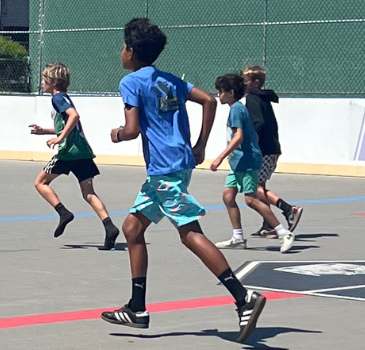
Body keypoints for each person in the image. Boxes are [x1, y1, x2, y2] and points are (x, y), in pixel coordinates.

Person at [96, 18, 268, 344]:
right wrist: (201, 144)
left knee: (189, 233)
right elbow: (208, 100)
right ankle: (136, 308)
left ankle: (243, 297)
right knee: (132, 229)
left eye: (123, 47)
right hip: (178, 164)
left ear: (131, 52)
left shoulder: (131, 82)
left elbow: (131, 129)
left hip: (162, 170)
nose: (121, 52)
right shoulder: (170, 79)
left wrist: (118, 135)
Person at [28, 62, 121, 249]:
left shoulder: (58, 99)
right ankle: (109, 226)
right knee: (88, 193)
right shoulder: (64, 99)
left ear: (53, 82)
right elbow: (66, 124)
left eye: (45, 79)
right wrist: (45, 132)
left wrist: (60, 138)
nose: (42, 82)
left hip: (68, 152)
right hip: (82, 152)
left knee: (40, 183)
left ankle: (63, 212)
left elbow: (74, 116)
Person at [207, 73, 294, 253]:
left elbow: (239, 136)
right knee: (228, 197)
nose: (218, 95)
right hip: (238, 162)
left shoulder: (237, 110)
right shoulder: (236, 108)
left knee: (251, 200)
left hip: (246, 160)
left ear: (230, 92)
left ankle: (283, 232)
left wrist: (220, 157)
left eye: (220, 92)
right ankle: (238, 237)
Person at [238, 66, 303, 238]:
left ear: (256, 83)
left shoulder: (252, 98)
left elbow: (258, 123)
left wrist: (251, 144)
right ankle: (268, 224)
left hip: (264, 150)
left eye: (246, 81)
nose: (243, 84)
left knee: (254, 187)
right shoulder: (263, 98)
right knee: (260, 185)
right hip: (271, 148)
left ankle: (288, 209)